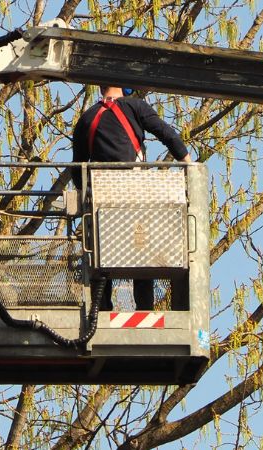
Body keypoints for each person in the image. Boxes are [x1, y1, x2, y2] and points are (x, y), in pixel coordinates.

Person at [71, 86, 194, 311]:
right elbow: (166, 134)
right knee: (142, 253)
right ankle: (144, 309)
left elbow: (76, 168)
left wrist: (85, 196)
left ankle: (103, 309)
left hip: (102, 199)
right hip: (136, 192)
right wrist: (189, 164)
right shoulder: (136, 107)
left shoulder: (87, 118)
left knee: (101, 255)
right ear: (125, 87)